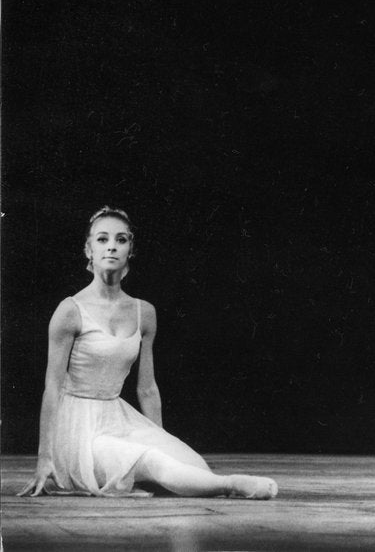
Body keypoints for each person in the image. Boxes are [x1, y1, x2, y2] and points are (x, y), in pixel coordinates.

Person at [19, 207, 278, 499]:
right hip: (77, 430)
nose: (112, 246)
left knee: (192, 464)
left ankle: (172, 474)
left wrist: (159, 438)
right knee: (153, 461)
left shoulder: (144, 312)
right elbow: (52, 388)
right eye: (102, 239)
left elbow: (147, 388)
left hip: (116, 416)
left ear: (130, 249)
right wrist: (45, 458)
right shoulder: (70, 310)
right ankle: (231, 484)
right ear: (88, 250)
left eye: (121, 239)